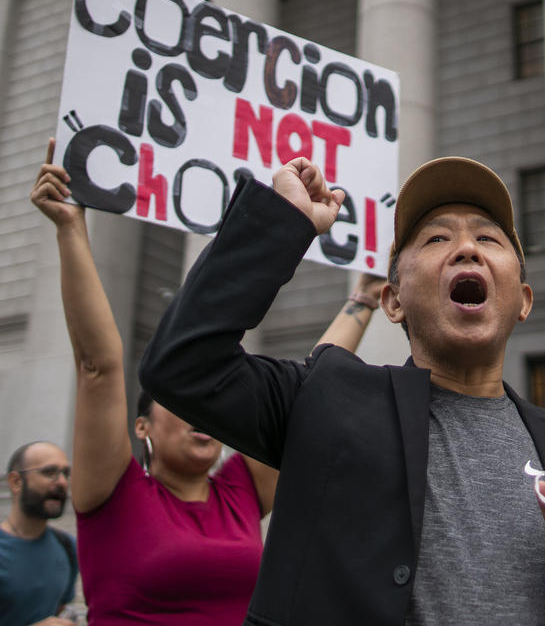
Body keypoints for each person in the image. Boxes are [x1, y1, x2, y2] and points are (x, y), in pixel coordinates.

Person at [139, 155, 545, 625]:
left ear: (523, 301)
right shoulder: (330, 396)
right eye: (437, 238)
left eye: (488, 238)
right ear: (393, 301)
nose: (467, 248)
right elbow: (183, 365)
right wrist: (281, 223)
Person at [30, 140, 383, 625]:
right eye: (181, 405)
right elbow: (99, 365)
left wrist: (362, 301)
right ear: (141, 428)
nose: (203, 418)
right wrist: (71, 228)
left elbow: (317, 391)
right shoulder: (113, 494)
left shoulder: (239, 489)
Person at [1, 442, 77, 626]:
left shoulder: (67, 546)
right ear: (16, 482)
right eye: (49, 473)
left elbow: (60, 610)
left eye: (65, 474)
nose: (62, 483)